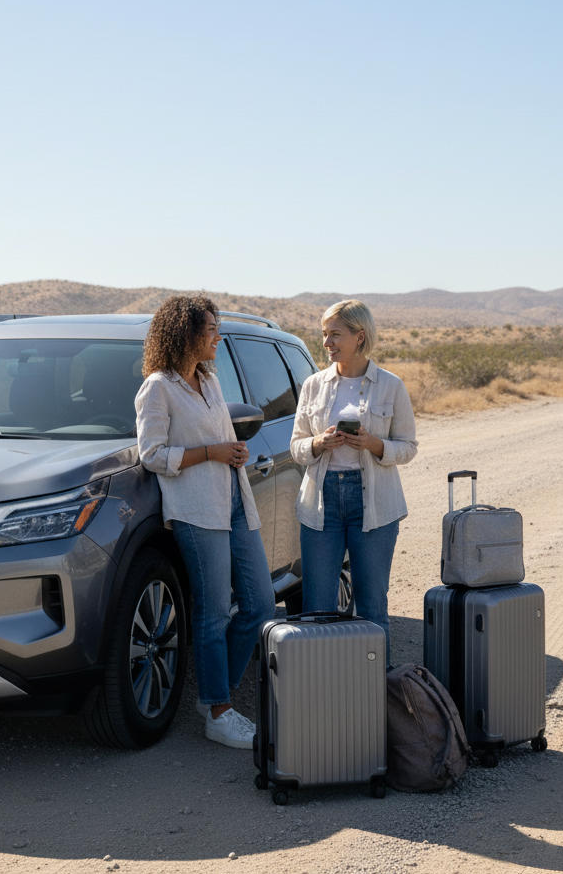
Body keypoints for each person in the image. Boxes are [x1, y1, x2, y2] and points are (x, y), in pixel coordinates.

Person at [135, 295, 274, 749]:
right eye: (211, 328)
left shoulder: (209, 381)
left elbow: (221, 436)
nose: (218, 335)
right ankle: (218, 712)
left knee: (259, 604)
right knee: (213, 612)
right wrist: (212, 453)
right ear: (185, 334)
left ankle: (217, 695)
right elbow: (152, 455)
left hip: (234, 498)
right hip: (196, 510)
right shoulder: (158, 387)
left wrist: (232, 450)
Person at [290, 299, 418, 659]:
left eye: (335, 335)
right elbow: (297, 447)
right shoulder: (313, 386)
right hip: (321, 501)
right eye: (324, 335)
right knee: (316, 608)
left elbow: (408, 447)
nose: (327, 343)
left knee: (373, 608)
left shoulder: (392, 386)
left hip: (375, 505)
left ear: (360, 336)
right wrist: (319, 442)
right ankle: (322, 692)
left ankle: (377, 696)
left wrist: (374, 444)